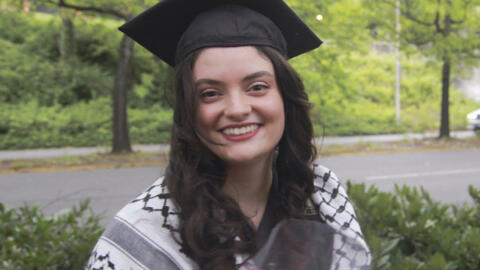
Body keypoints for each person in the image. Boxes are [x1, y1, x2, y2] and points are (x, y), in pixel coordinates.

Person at [86, 0, 370, 269]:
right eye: (210, 93)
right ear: (188, 110)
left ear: (285, 96)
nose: (236, 109)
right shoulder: (143, 233)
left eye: (257, 87)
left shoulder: (321, 193)